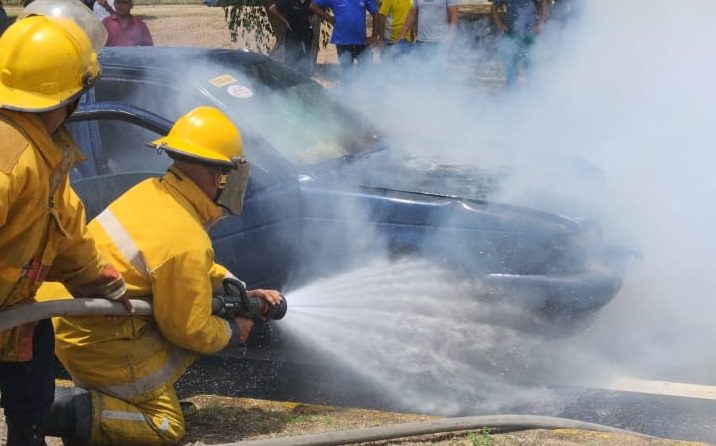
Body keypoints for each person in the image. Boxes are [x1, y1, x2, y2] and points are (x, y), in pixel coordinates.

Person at [37, 106, 283, 446]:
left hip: (75, 318)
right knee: (166, 427)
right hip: (97, 340)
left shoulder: (153, 193)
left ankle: (122, 402)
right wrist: (232, 331)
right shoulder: (186, 238)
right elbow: (189, 328)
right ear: (219, 177)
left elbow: (187, 271)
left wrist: (238, 291)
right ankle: (70, 411)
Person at [0, 3, 133, 444]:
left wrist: (100, 283)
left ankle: (28, 434)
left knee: (33, 365)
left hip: (12, 310)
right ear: (68, 97)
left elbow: (67, 231)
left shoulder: (45, 154)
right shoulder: (10, 161)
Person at [491, 0, 548, 87]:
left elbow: (543, 2)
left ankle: (533, 93)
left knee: (531, 66)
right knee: (511, 66)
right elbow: (494, 6)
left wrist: (541, 23)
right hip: (511, 33)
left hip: (530, 34)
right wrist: (499, 23)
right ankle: (513, 95)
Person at [309, 0, 379, 70]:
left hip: (361, 41)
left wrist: (374, 35)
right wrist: (329, 17)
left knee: (368, 70)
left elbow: (375, 13)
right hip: (342, 42)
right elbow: (313, 5)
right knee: (346, 72)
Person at [269, 0, 315, 75]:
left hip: (306, 36)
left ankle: (305, 81)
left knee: (305, 64)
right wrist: (285, 21)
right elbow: (272, 8)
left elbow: (314, 11)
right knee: (290, 63)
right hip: (292, 37)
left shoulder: (310, 2)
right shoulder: (289, 1)